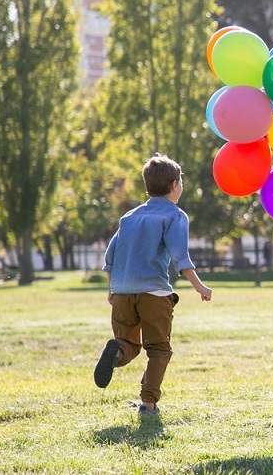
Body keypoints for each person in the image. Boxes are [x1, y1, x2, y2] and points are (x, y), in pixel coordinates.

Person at [94, 154, 214, 417]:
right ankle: (148, 404)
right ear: (174, 185)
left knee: (128, 344)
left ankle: (116, 352)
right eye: (181, 181)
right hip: (154, 292)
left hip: (123, 292)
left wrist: (111, 289)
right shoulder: (174, 215)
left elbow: (110, 256)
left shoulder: (129, 216)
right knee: (158, 349)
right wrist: (200, 286)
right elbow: (180, 258)